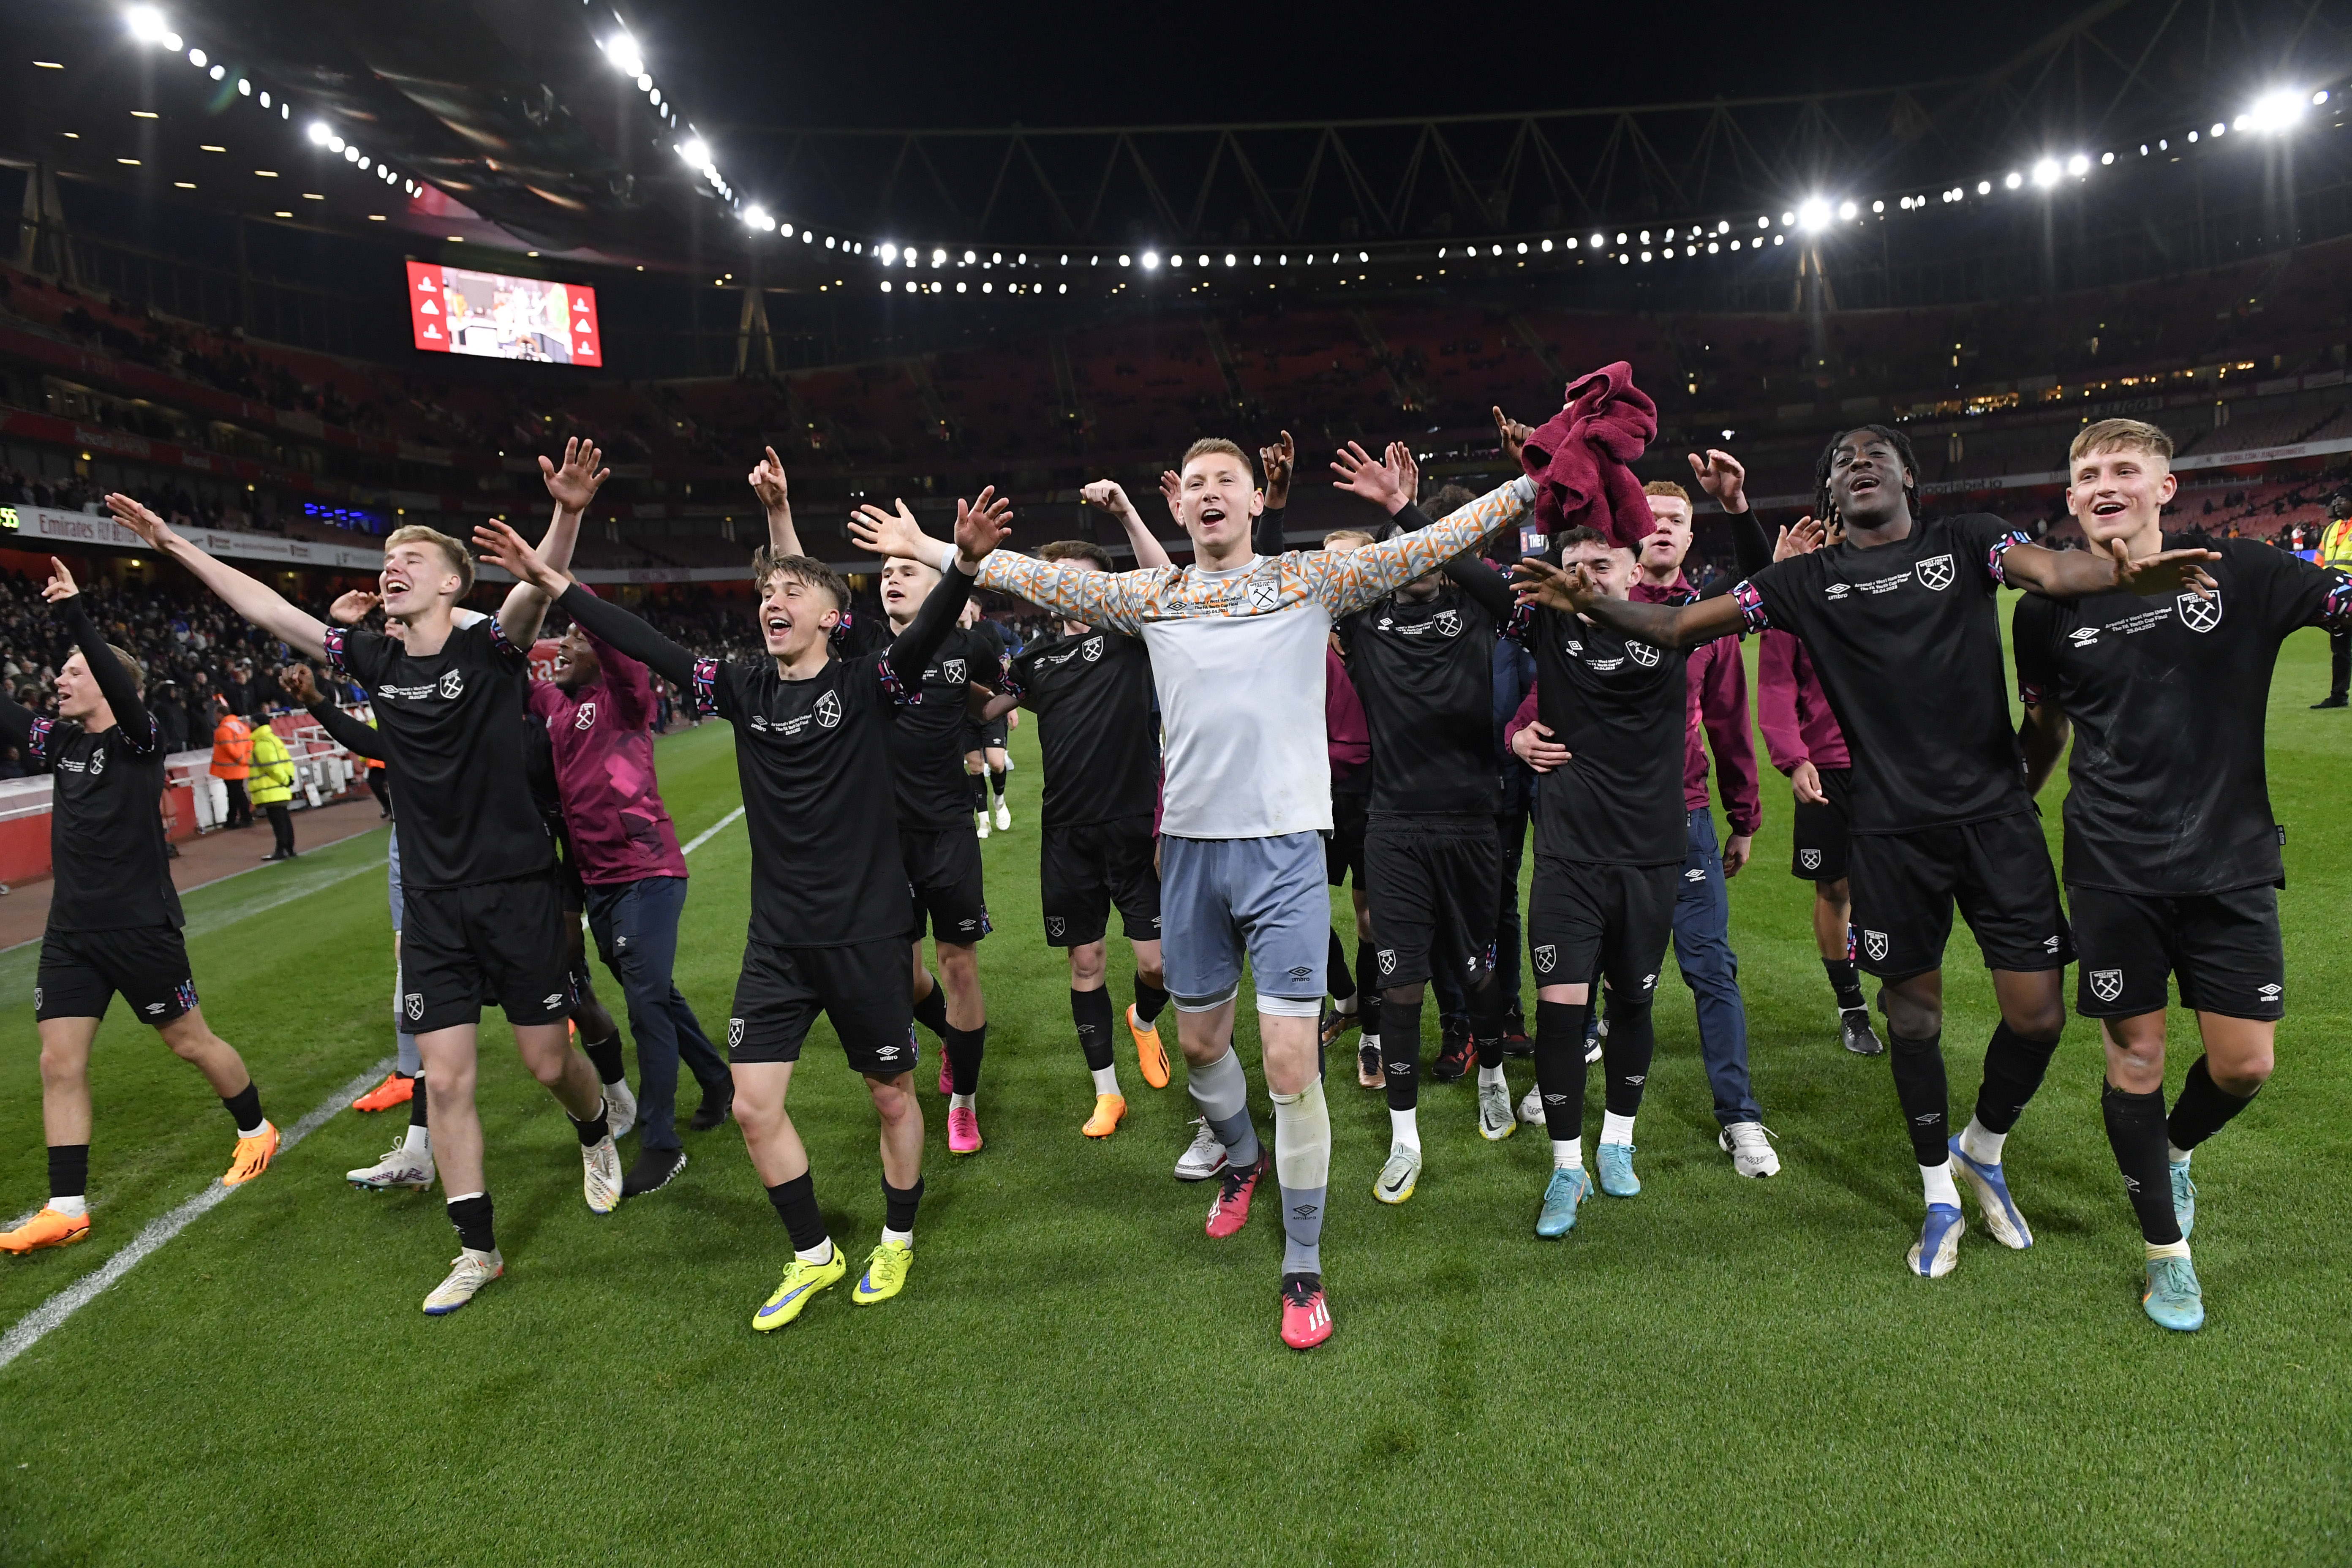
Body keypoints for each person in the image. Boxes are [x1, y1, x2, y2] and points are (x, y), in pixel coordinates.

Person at [857, 435, 1535, 1352]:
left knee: (1291, 1064)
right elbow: (1045, 581)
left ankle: (1303, 1261)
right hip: (1189, 857)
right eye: (1199, 484)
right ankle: (1242, 1156)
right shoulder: (1154, 595)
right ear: (1179, 509)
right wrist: (941, 550)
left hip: (1287, 852)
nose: (1212, 494)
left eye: (1229, 482)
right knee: (1200, 1040)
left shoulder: (1309, 581)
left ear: (1255, 502)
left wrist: (1539, 480)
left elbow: (1433, 541)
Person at [1512, 423, 2217, 1278]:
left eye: (1875, 453)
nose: (1859, 463)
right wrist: (1585, 600)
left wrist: (2123, 569)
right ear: (1830, 498)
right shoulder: (1808, 580)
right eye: (1841, 459)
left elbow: (2057, 572)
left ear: (1909, 476)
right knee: (1913, 1019)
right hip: (1886, 831)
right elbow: (1681, 627)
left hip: (1995, 820)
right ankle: (1937, 1194)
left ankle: (1983, 1146)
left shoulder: (1969, 539)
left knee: (2039, 1016)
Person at [105, 439, 620, 1317]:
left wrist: (567, 512)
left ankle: (595, 1125)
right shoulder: (376, 660)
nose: (393, 570)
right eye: (387, 562)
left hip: (519, 890)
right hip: (434, 904)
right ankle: (476, 1248)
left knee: (545, 1059)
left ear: (453, 583)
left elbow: (540, 584)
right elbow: (269, 608)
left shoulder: (494, 648)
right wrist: (174, 543)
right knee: (448, 1079)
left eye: (411, 561)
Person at [474, 490, 1010, 1328]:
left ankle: (896, 1236)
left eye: (795, 592)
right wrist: (554, 578)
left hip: (867, 932)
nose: (775, 601)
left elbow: (937, 628)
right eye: (768, 593)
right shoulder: (743, 685)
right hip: (778, 941)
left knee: (893, 1098)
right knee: (756, 1106)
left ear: (836, 618)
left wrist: (967, 563)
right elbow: (641, 639)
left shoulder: (871, 680)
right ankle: (813, 1255)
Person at [2014, 418, 2339, 1331]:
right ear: (2072, 502)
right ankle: (2167, 1254)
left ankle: (2176, 1149)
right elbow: (2046, 728)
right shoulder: (2047, 612)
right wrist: (2006, 807)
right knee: (2138, 1057)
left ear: (2167, 489)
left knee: (2244, 1065)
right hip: (2115, 865)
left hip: (2230, 859)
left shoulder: (2244, 572)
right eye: (2086, 474)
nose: (2103, 483)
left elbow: (2340, 605)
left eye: (2125, 468)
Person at [0, 558, 278, 1255]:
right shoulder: (59, 741)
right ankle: (67, 1206)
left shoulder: (138, 736)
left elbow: (120, 686)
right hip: (71, 932)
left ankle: (255, 1128)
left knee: (188, 1041)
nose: (58, 679)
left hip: (140, 927)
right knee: (58, 1062)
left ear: (107, 680)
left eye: (72, 671)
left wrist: (75, 615)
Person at [1508, 479, 1780, 1180]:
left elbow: (1729, 724)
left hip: (1680, 823)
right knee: (1580, 966)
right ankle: (1565, 1083)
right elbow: (1545, 695)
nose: (1661, 527)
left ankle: (1739, 1115)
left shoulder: (1696, 624)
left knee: (1707, 969)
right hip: (1591, 826)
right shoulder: (1580, 613)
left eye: (1675, 519)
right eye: (1650, 517)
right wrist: (1517, 734)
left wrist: (1742, 814)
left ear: (1688, 538)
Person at [1320, 468, 1518, 1207]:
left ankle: (1492, 1073)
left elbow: (1496, 584)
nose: (1416, 559)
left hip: (1472, 819)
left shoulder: (1474, 609)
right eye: (1402, 549)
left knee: (1474, 972)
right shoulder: (1360, 622)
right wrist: (1276, 510)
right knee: (1400, 983)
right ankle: (1405, 1138)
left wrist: (1413, 514)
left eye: (1428, 548)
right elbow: (1286, 578)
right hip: (1394, 824)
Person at [529, 591, 734, 1195]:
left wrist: (566, 583)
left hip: (647, 873)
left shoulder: (627, 697)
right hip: (598, 884)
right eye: (563, 635)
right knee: (656, 995)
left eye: (577, 636)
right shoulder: (558, 709)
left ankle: (661, 1143)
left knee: (646, 1006)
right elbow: (509, 664)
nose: (563, 645)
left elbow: (619, 646)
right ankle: (716, 1079)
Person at [978, 537, 1170, 1139]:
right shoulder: (1034, 663)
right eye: (1055, 581)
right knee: (1085, 962)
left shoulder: (1135, 638)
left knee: (1160, 967)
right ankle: (1107, 1093)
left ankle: (1142, 1019)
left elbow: (1167, 584)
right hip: (1068, 834)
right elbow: (990, 710)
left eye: (1078, 580)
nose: (1067, 592)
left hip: (1137, 825)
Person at [852, 498, 1001, 1157]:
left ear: (936, 583)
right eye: (884, 569)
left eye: (906, 567)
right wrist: (782, 510)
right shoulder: (858, 644)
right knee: (906, 977)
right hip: (882, 842)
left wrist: (1000, 717)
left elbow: (987, 693)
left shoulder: (963, 644)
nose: (892, 576)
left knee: (958, 966)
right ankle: (949, 1038)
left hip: (946, 832)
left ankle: (964, 1102)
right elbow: (799, 587)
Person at [959, 599, 1014, 838]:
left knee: (997, 763)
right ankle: (984, 822)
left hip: (991, 706)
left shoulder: (987, 632)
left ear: (972, 608)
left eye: (964, 604)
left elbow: (1002, 667)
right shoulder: (945, 637)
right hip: (963, 712)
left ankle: (1000, 799)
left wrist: (1010, 704)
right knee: (974, 767)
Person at [2314, 493, 2352, 708]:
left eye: (2343, 499)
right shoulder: (2331, 529)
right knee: (2340, 648)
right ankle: (2339, 695)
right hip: (2336, 598)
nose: (2337, 504)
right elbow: (2320, 560)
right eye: (2335, 500)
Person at [248, 710, 299, 862]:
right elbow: (286, 762)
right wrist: (288, 779)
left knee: (278, 821)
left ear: (257, 724)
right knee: (284, 819)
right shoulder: (274, 739)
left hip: (271, 789)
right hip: (279, 788)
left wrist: (283, 780)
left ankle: (282, 849)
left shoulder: (263, 742)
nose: (249, 724)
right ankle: (289, 848)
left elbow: (271, 766)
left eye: (252, 721)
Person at [209, 696, 252, 830]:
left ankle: (245, 818)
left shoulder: (223, 730)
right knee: (236, 793)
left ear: (220, 715)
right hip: (241, 767)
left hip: (230, 769)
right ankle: (232, 819)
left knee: (236, 794)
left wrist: (240, 759)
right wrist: (245, 760)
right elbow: (249, 745)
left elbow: (229, 749)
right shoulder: (242, 727)